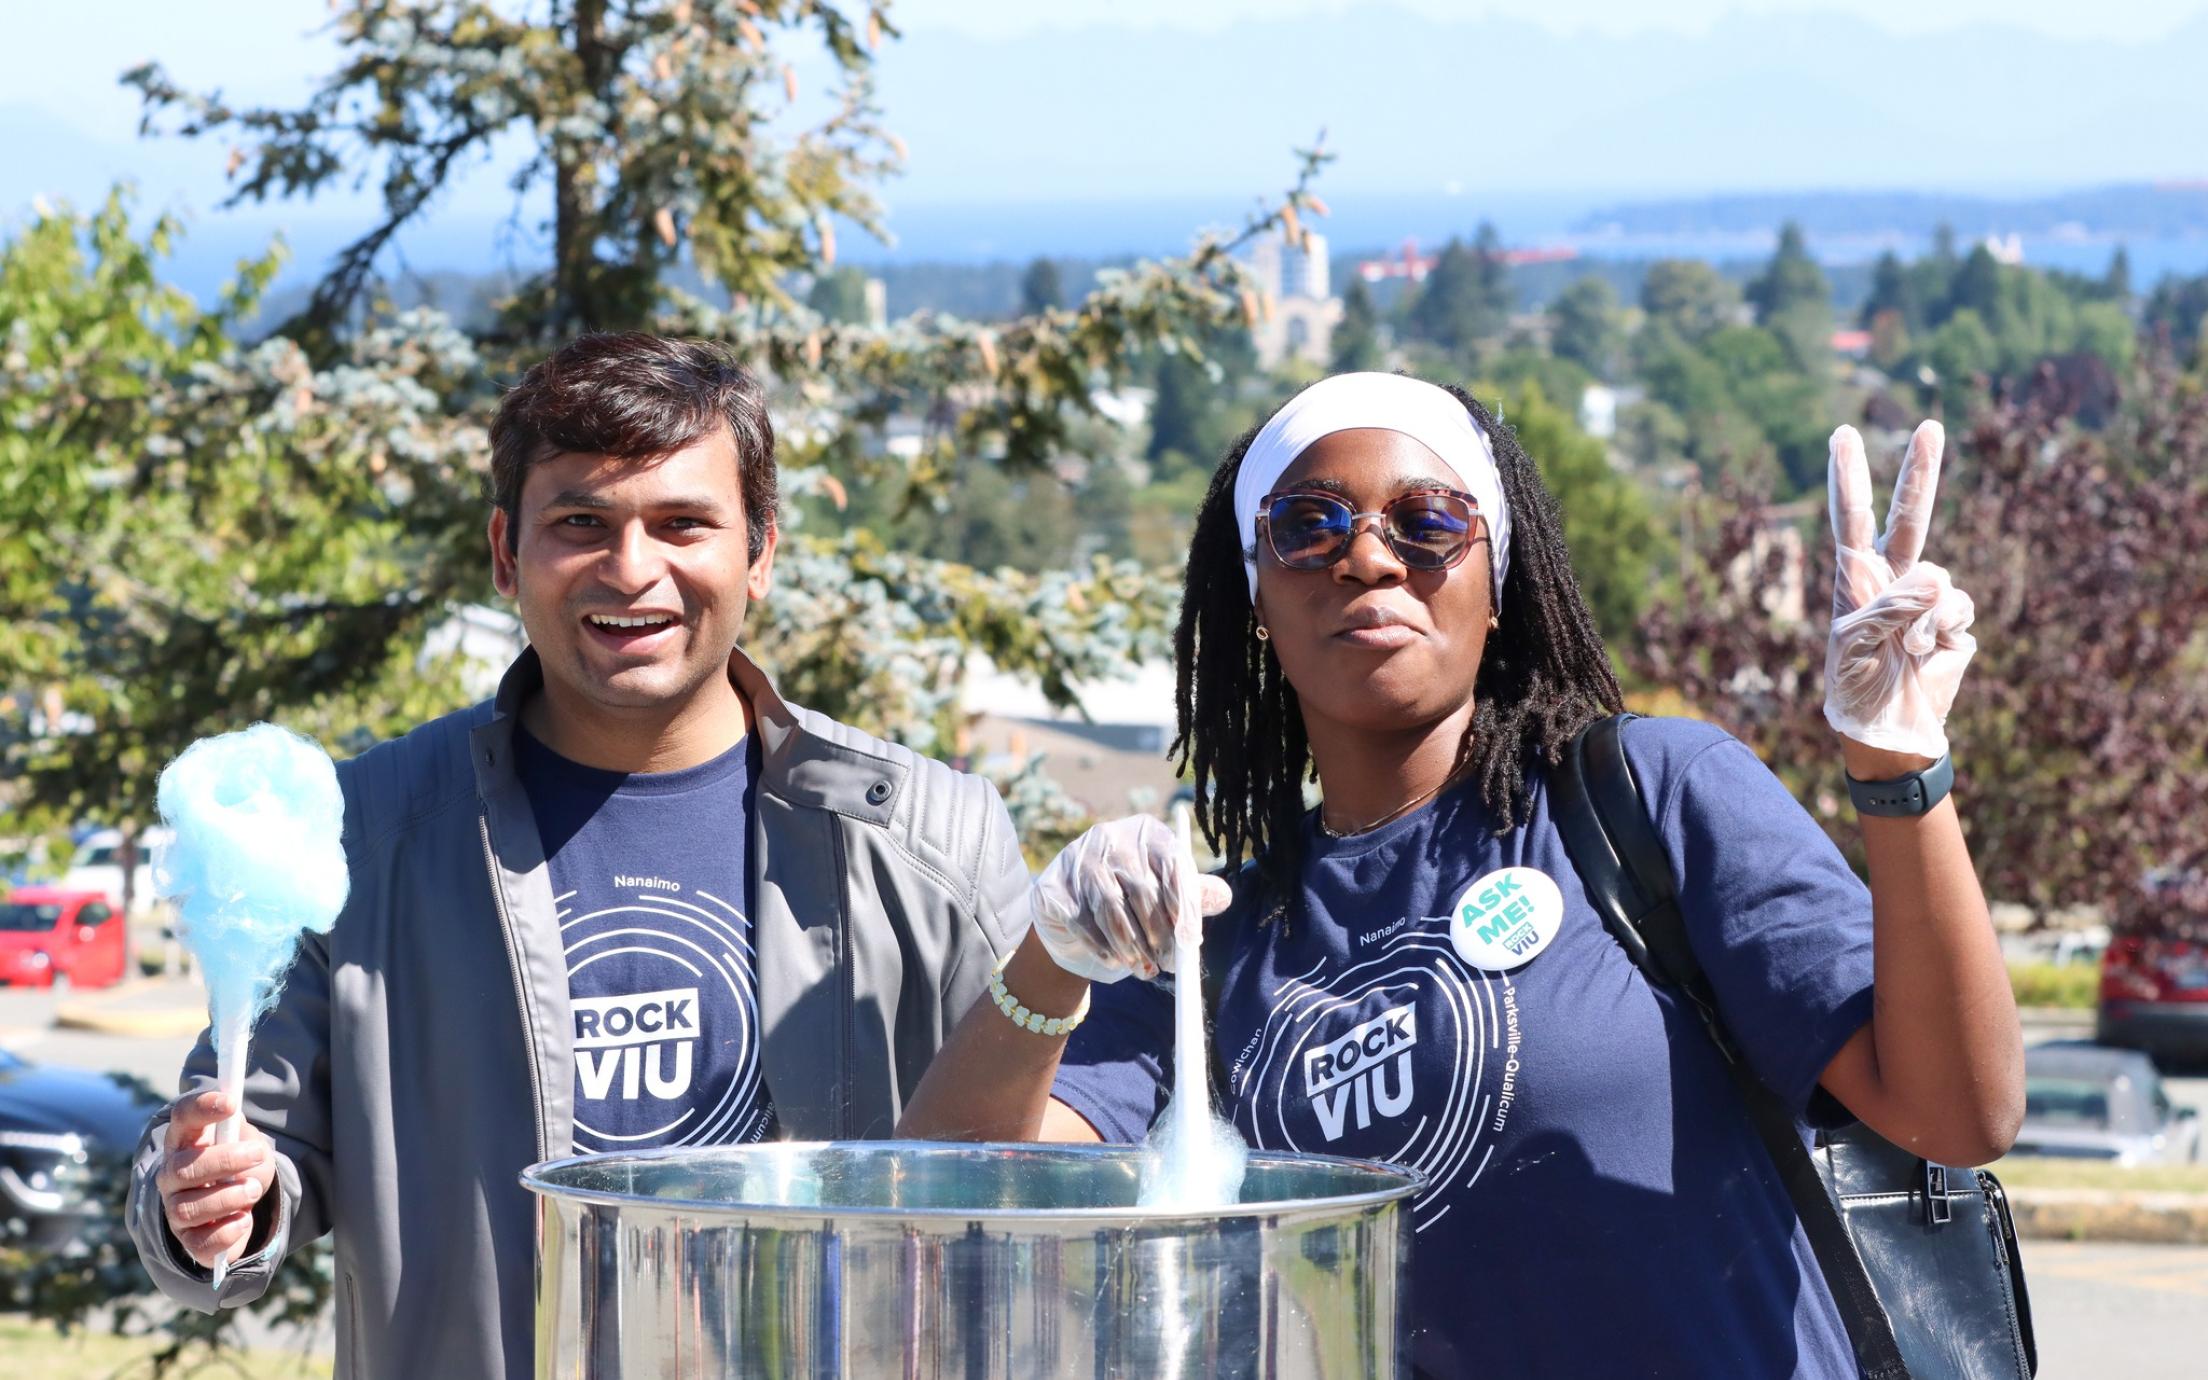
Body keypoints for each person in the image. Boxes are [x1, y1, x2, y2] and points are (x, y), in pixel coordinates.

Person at [900, 372, 2024, 1377]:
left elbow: (1958, 1114)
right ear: (1256, 605)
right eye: (1308, 527)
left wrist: (1901, 770)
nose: (1372, 557)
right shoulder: (1220, 939)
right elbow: (957, 1198)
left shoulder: (1652, 797)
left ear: (1499, 583)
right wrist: (1056, 953)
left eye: (1428, 522)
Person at [126, 332, 1032, 1379]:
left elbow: (1034, 1177)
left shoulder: (931, 843)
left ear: (761, 552)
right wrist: (206, 1193)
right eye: (581, 524)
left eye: (683, 523)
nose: (632, 568)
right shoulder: (363, 841)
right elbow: (239, 1152)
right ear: (508, 555)